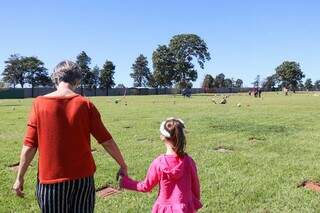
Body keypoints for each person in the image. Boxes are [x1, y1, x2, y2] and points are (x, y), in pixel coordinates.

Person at [12, 60, 127, 213]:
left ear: (56, 78)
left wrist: (19, 177)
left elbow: (30, 146)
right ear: (77, 80)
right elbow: (106, 140)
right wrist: (122, 164)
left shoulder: (39, 104)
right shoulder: (86, 105)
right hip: (83, 180)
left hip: (50, 182)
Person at [120, 118, 202, 213]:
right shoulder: (189, 161)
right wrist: (194, 204)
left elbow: (146, 186)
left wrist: (125, 182)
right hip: (186, 209)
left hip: (164, 209)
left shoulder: (158, 163)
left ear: (162, 137)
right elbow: (196, 186)